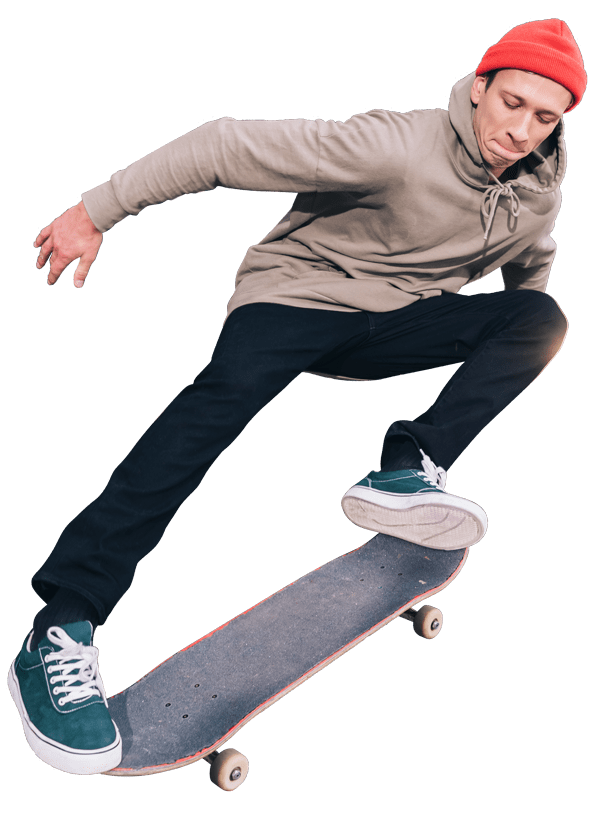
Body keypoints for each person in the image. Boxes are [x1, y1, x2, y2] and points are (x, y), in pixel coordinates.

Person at [8, 19, 586, 776]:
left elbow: (530, 266)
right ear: (479, 87)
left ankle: (409, 465)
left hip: (394, 325)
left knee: (541, 321)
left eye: (544, 118)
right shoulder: (394, 145)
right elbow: (221, 145)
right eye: (511, 103)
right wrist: (98, 210)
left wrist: (494, 360)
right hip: (297, 299)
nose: (520, 131)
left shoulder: (537, 196)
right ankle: (62, 624)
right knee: (208, 414)